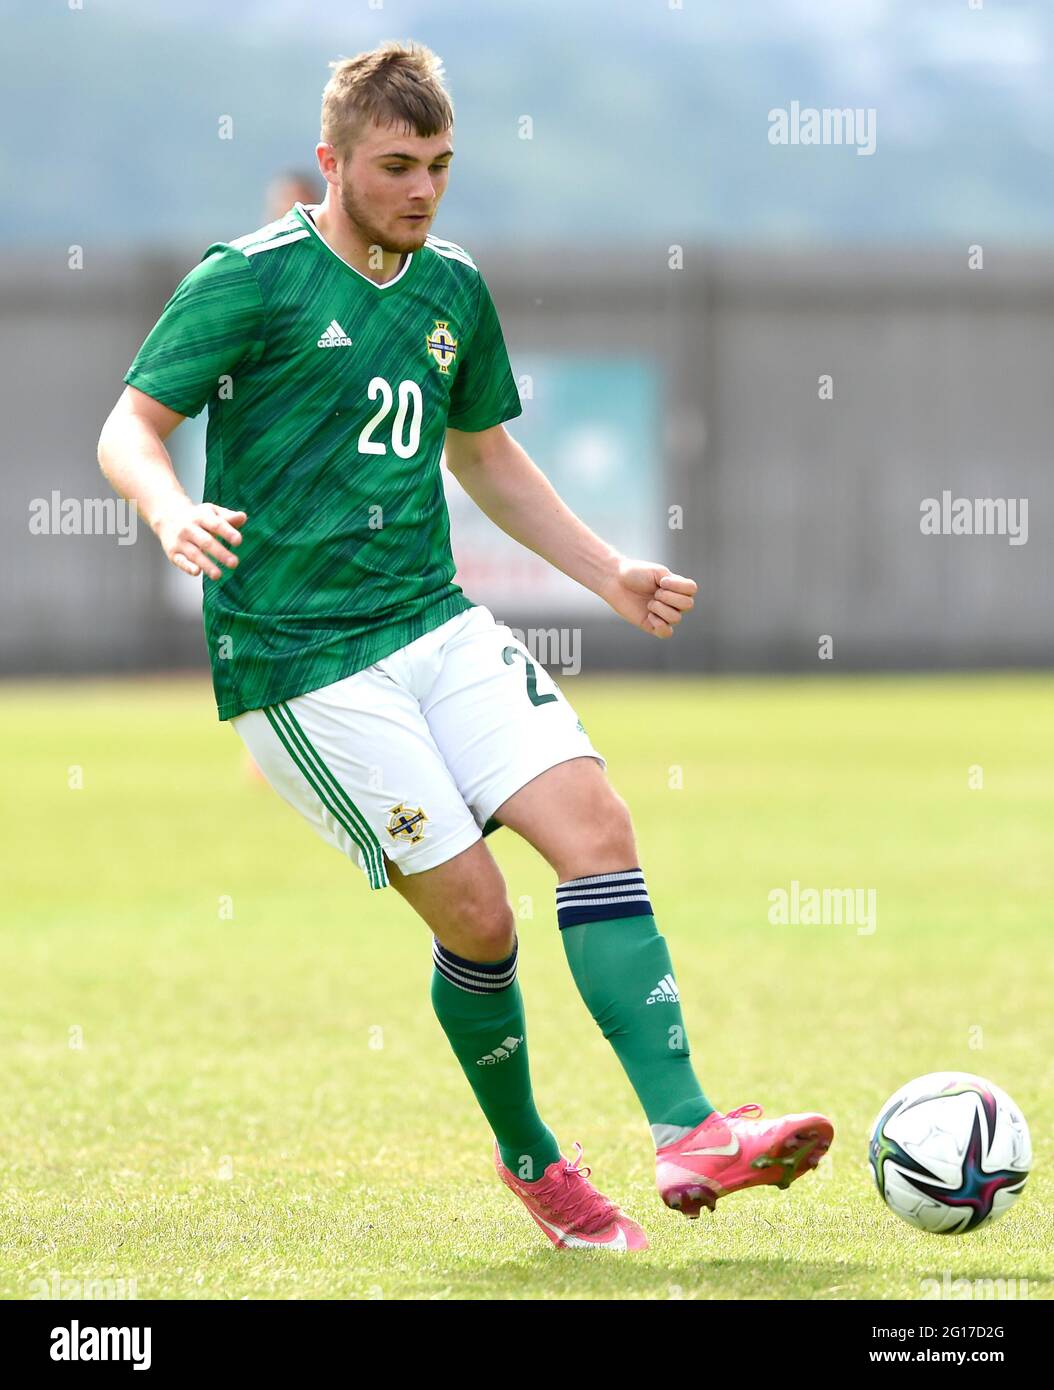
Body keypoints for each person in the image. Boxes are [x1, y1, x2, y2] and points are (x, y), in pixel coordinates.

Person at [97, 40, 832, 1252]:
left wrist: (609, 572)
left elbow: (483, 455)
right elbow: (130, 424)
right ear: (331, 162)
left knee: (596, 829)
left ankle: (690, 1128)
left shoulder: (451, 288)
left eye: (440, 165)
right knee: (483, 920)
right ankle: (534, 1158)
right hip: (301, 661)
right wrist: (171, 509)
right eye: (395, 166)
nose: (422, 190)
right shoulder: (248, 279)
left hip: (433, 621)